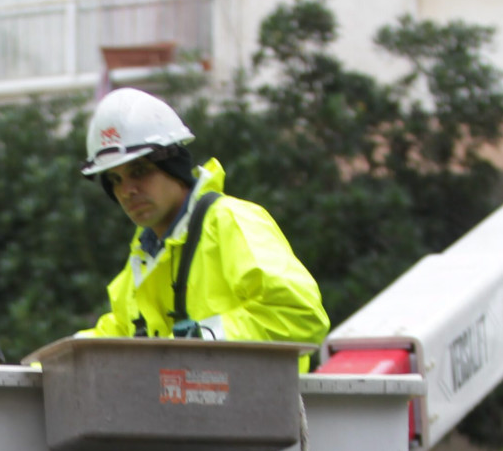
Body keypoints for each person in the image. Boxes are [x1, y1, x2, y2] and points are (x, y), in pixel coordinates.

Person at [78, 88, 329, 347]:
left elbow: (300, 315)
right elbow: (114, 336)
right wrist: (46, 367)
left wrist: (201, 339)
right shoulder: (145, 261)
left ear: (173, 166)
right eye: (115, 180)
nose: (127, 191)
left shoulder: (232, 222)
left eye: (140, 171)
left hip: (254, 389)